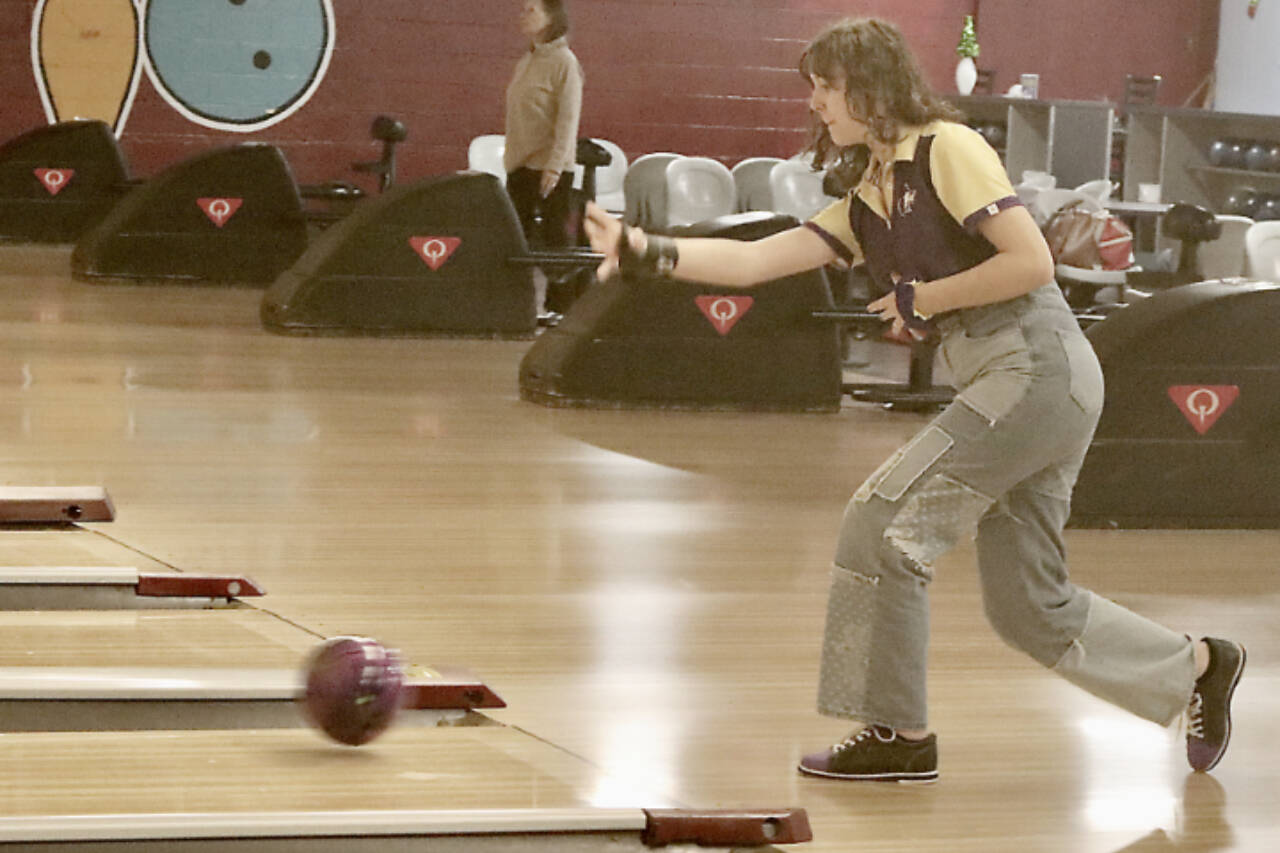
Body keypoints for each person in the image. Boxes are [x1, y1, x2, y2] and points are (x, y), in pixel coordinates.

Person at [583, 17, 1245, 783]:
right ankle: (1197, 665)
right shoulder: (872, 185)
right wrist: (643, 250)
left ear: (868, 84)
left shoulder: (945, 148)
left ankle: (898, 732)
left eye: (826, 87)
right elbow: (756, 259)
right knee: (1028, 607)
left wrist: (923, 296)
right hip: (1025, 383)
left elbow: (1030, 262)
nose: (817, 104)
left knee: (883, 522)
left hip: (1032, 369)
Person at [504, 0, 583, 251]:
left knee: (554, 243)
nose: (523, 16)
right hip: (520, 164)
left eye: (531, 11)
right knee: (514, 241)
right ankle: (519, 291)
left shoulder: (565, 62)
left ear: (550, 18)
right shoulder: (526, 60)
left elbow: (568, 120)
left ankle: (561, 291)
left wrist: (555, 167)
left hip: (550, 168)